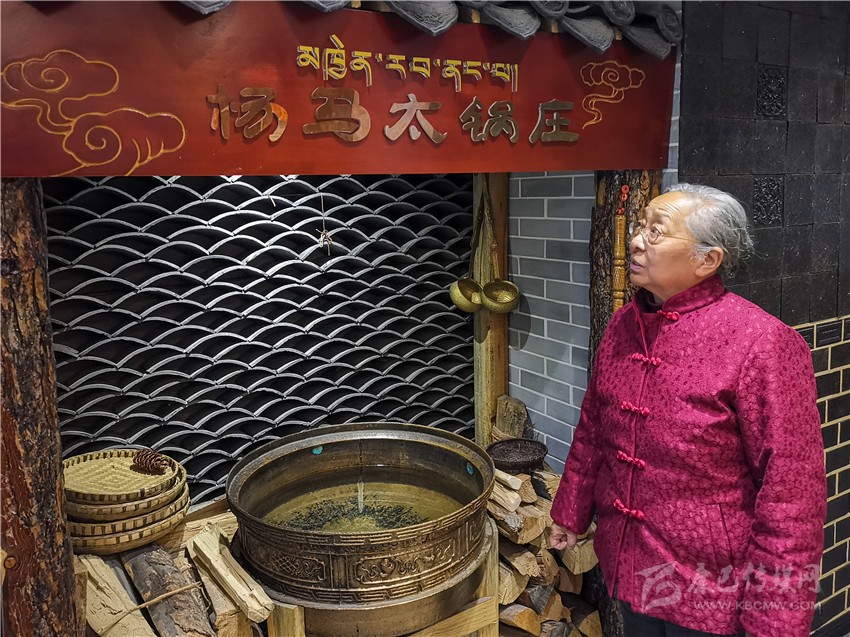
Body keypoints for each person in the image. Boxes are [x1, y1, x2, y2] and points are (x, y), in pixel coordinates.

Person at [549, 184, 826, 637]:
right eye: (641, 226)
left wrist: (776, 620)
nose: (636, 240)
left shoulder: (762, 343)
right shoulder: (623, 324)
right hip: (634, 566)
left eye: (656, 232)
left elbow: (792, 495)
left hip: (715, 589)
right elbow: (594, 427)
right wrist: (570, 510)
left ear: (707, 260)